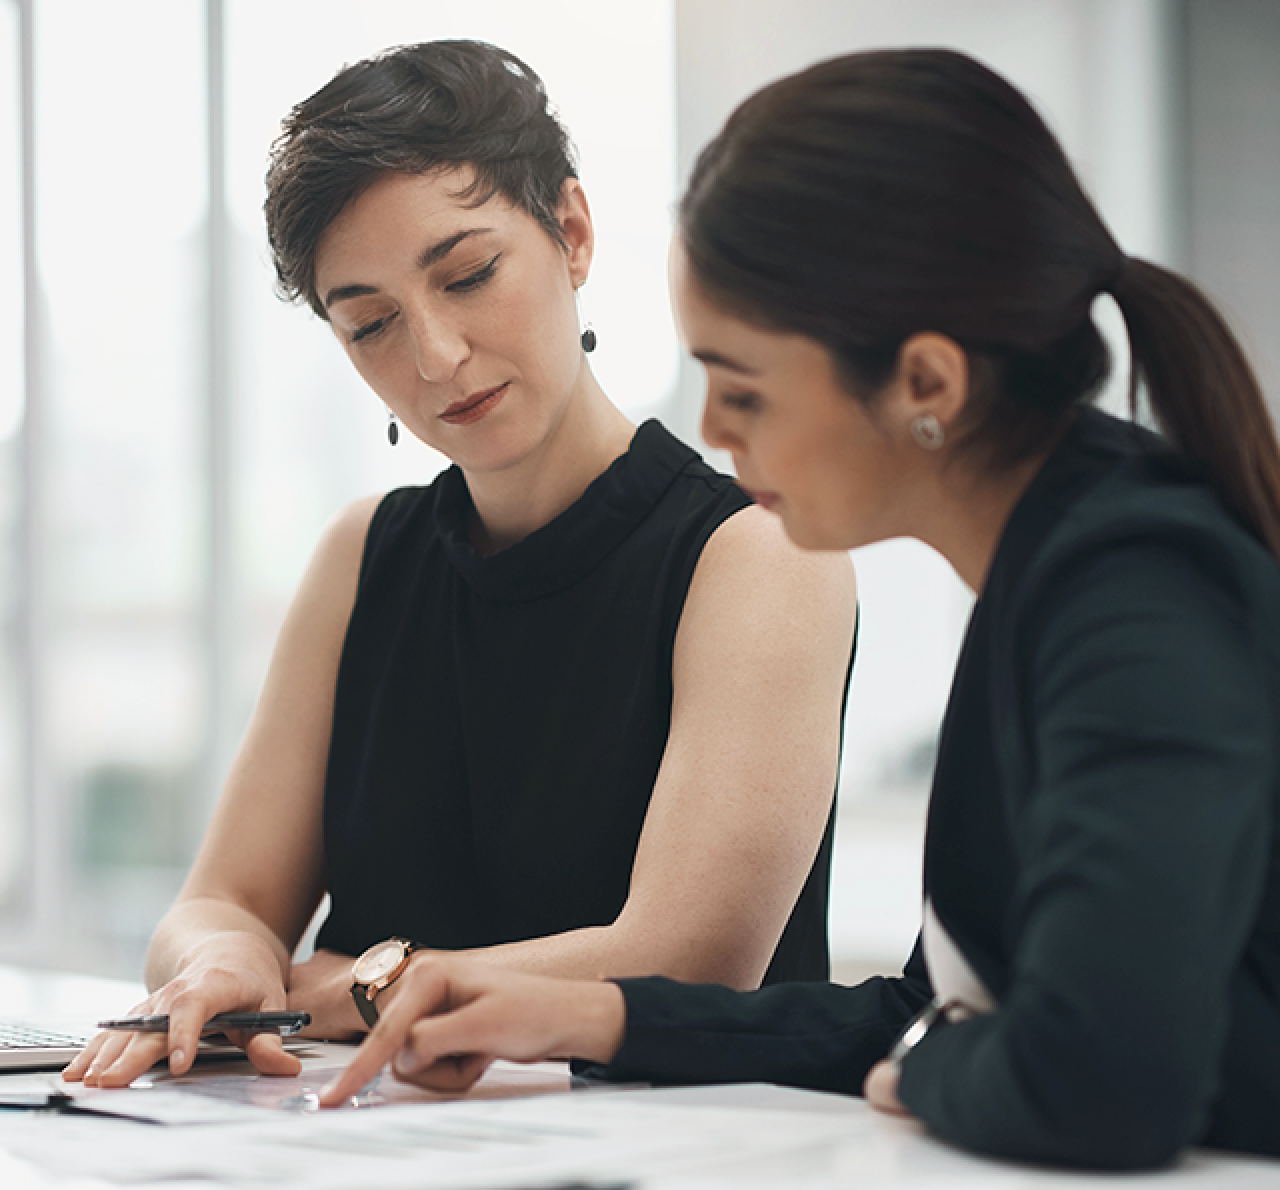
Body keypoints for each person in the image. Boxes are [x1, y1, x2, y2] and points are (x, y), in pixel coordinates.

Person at [317, 48, 1280, 1170]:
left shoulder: (1131, 588)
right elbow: (935, 1008)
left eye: (744, 385)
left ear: (924, 384)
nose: (716, 431)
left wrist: (919, 1067)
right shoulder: (1051, 568)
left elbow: (1093, 1085)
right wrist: (591, 1015)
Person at [63, 41, 856, 1089]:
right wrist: (225, 959)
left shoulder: (756, 551)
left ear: (570, 234)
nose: (434, 356)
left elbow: (685, 959)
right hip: (368, 1139)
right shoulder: (362, 553)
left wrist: (337, 984)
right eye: (371, 323)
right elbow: (220, 902)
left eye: (469, 274)